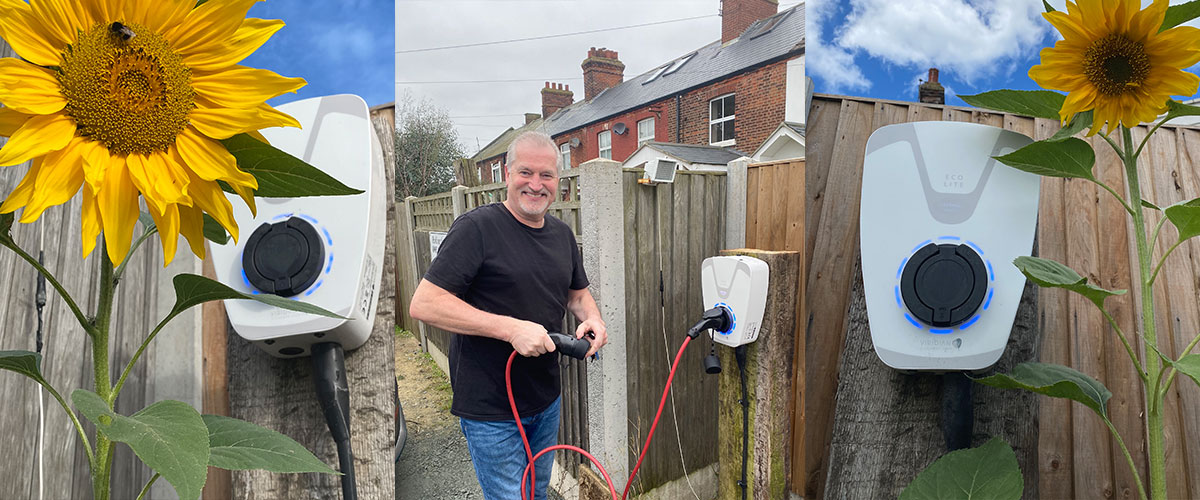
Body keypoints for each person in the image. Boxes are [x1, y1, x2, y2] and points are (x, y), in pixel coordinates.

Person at [409, 130, 608, 500]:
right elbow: (425, 303)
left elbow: (577, 294)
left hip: (545, 397)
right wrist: (510, 329)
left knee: (536, 490)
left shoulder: (562, 235)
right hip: (490, 406)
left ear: (558, 182)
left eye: (546, 175)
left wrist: (592, 318)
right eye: (525, 173)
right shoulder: (476, 229)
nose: (536, 184)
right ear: (506, 174)